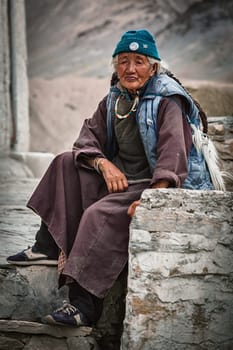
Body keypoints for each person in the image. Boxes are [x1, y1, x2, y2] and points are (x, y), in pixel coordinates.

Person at [7, 29, 219, 327]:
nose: (130, 69)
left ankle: (84, 306)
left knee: (99, 215)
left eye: (139, 61)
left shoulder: (168, 100)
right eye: (123, 61)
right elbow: (86, 139)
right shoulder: (115, 98)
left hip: (155, 185)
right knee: (65, 163)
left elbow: (174, 156)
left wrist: (152, 200)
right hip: (121, 180)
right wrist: (103, 163)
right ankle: (47, 245)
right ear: (115, 65)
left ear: (154, 66)